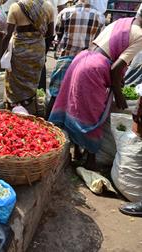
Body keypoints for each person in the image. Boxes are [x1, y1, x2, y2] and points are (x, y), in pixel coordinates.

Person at [49, 7, 142, 170]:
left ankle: (76, 152)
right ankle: (89, 160)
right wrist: (119, 94)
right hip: (95, 68)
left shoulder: (122, 22)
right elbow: (115, 68)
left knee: (76, 107)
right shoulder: (140, 35)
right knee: (94, 113)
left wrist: (117, 82)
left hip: (82, 58)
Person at [46, 0, 105, 118]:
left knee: (56, 93)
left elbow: (58, 33)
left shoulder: (65, 12)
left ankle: (48, 123)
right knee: (77, 95)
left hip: (65, 58)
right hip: (86, 62)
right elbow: (98, 41)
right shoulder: (100, 16)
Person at [1, 0, 54, 114]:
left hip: (18, 53)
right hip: (37, 52)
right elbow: (50, 34)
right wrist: (43, 53)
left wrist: (3, 53)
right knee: (32, 84)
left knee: (14, 83)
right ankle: (30, 111)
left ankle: (14, 110)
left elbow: (7, 34)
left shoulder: (15, 7)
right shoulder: (48, 7)